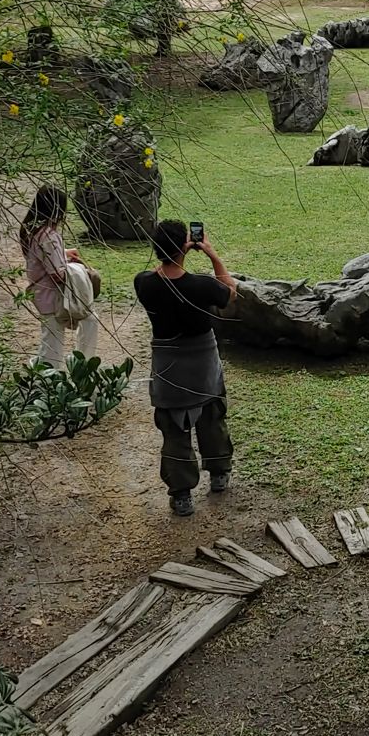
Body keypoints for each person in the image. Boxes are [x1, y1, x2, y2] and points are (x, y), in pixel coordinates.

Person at [134, 219, 237, 518]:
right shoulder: (202, 286)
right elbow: (230, 291)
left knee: (173, 429)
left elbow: (156, 277)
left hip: (169, 369)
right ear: (186, 246)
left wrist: (174, 254)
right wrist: (212, 254)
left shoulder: (144, 283)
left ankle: (181, 495)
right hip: (203, 363)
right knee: (212, 417)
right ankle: (219, 473)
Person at [20, 185, 100, 368]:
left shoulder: (33, 230)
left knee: (52, 340)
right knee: (55, 345)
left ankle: (44, 375)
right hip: (54, 297)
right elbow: (58, 274)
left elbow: (41, 258)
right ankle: (80, 369)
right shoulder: (49, 235)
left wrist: (63, 254)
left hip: (42, 295)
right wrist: (79, 269)